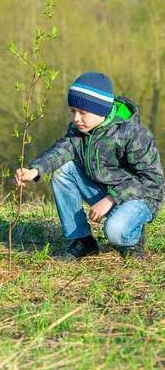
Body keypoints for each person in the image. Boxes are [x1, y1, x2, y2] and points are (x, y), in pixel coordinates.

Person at [14, 72, 164, 260]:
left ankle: (133, 238)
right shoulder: (78, 131)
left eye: (82, 112)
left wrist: (112, 198)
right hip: (106, 194)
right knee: (63, 169)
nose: (76, 118)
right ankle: (82, 241)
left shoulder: (133, 134)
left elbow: (152, 180)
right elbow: (60, 151)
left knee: (115, 233)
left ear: (101, 110)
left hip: (139, 197)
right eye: (72, 111)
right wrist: (34, 170)